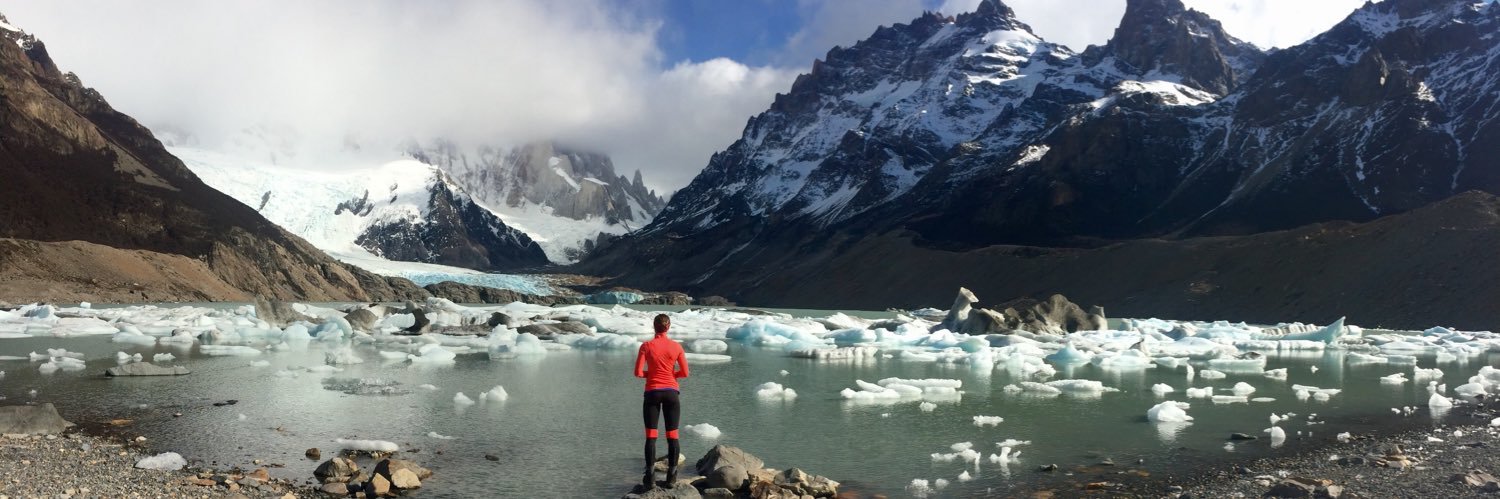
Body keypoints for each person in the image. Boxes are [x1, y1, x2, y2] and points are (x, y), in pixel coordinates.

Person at [634, 313, 689, 490]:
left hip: (652, 393)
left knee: (651, 436)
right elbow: (685, 373)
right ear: (668, 327)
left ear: (654, 326)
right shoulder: (676, 347)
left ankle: (649, 478)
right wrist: (671, 375)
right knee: (672, 436)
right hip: (672, 393)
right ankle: (671, 478)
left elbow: (638, 372)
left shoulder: (646, 346)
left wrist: (652, 375)